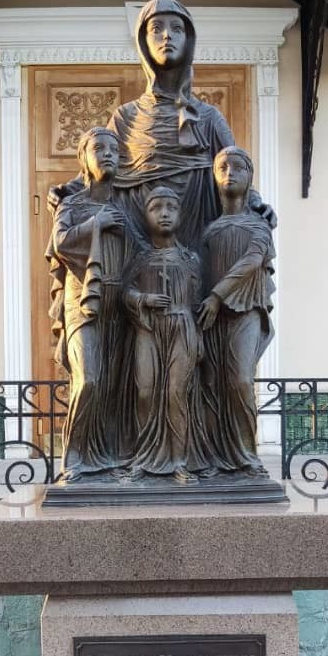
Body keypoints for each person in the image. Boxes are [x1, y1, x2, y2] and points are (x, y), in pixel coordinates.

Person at [49, 0, 275, 254]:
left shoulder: (209, 117)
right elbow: (98, 167)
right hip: (138, 234)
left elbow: (233, 167)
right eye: (156, 28)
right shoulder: (126, 117)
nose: (167, 35)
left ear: (188, 41)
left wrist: (255, 203)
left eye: (176, 28)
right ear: (143, 42)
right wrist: (68, 192)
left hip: (196, 230)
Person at [47, 127, 136, 481]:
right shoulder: (72, 204)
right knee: (90, 380)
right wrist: (95, 224)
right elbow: (60, 242)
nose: (108, 154)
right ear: (83, 158)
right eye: (99, 148)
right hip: (82, 302)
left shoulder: (127, 205)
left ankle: (107, 457)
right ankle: (74, 458)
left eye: (114, 149)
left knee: (114, 385)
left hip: (120, 303)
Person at [199, 146, 275, 475]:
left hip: (245, 310)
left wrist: (217, 295)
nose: (230, 173)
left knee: (241, 381)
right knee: (211, 384)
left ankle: (246, 456)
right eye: (223, 167)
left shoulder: (258, 225)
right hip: (211, 317)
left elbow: (252, 261)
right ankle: (215, 457)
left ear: (250, 177)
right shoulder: (209, 230)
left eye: (238, 167)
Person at [124, 186, 206, 482]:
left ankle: (179, 461)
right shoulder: (140, 259)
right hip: (148, 330)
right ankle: (145, 459)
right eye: (156, 207)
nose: (164, 213)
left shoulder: (191, 259)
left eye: (171, 207)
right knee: (145, 391)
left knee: (175, 393)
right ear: (145, 216)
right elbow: (125, 292)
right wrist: (142, 299)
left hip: (182, 329)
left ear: (181, 215)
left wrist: (198, 340)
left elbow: (198, 302)